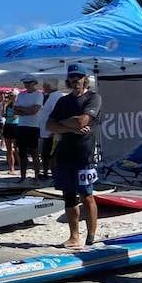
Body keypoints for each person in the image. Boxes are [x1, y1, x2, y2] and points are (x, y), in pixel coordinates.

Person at [47, 64, 103, 248]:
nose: (75, 81)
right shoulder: (63, 101)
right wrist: (70, 126)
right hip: (64, 153)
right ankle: (74, 236)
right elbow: (49, 125)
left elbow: (82, 121)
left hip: (84, 154)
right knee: (69, 196)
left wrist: (64, 125)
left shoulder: (93, 98)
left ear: (84, 79)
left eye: (78, 78)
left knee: (87, 196)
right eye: (72, 78)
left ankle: (91, 236)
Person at [14, 76, 44, 181]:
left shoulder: (39, 95)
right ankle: (23, 176)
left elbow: (34, 110)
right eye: (25, 83)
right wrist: (27, 110)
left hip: (33, 126)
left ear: (34, 83)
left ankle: (36, 176)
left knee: (34, 152)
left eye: (28, 83)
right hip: (22, 126)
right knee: (22, 152)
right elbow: (15, 110)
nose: (26, 85)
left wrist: (23, 111)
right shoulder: (21, 95)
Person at [38, 79, 63, 180]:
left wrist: (55, 130)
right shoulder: (51, 96)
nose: (43, 88)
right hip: (46, 132)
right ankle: (46, 173)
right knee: (45, 154)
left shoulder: (56, 97)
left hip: (52, 132)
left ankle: (54, 175)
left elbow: (57, 114)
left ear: (49, 86)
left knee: (52, 155)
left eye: (44, 85)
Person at [0, 92, 19, 174]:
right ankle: (11, 168)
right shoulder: (8, 105)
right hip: (8, 125)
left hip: (15, 126)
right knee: (9, 149)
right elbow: (3, 114)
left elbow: (15, 115)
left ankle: (19, 166)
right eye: (10, 96)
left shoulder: (17, 105)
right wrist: (4, 105)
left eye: (12, 96)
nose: (10, 97)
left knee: (17, 148)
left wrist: (7, 115)